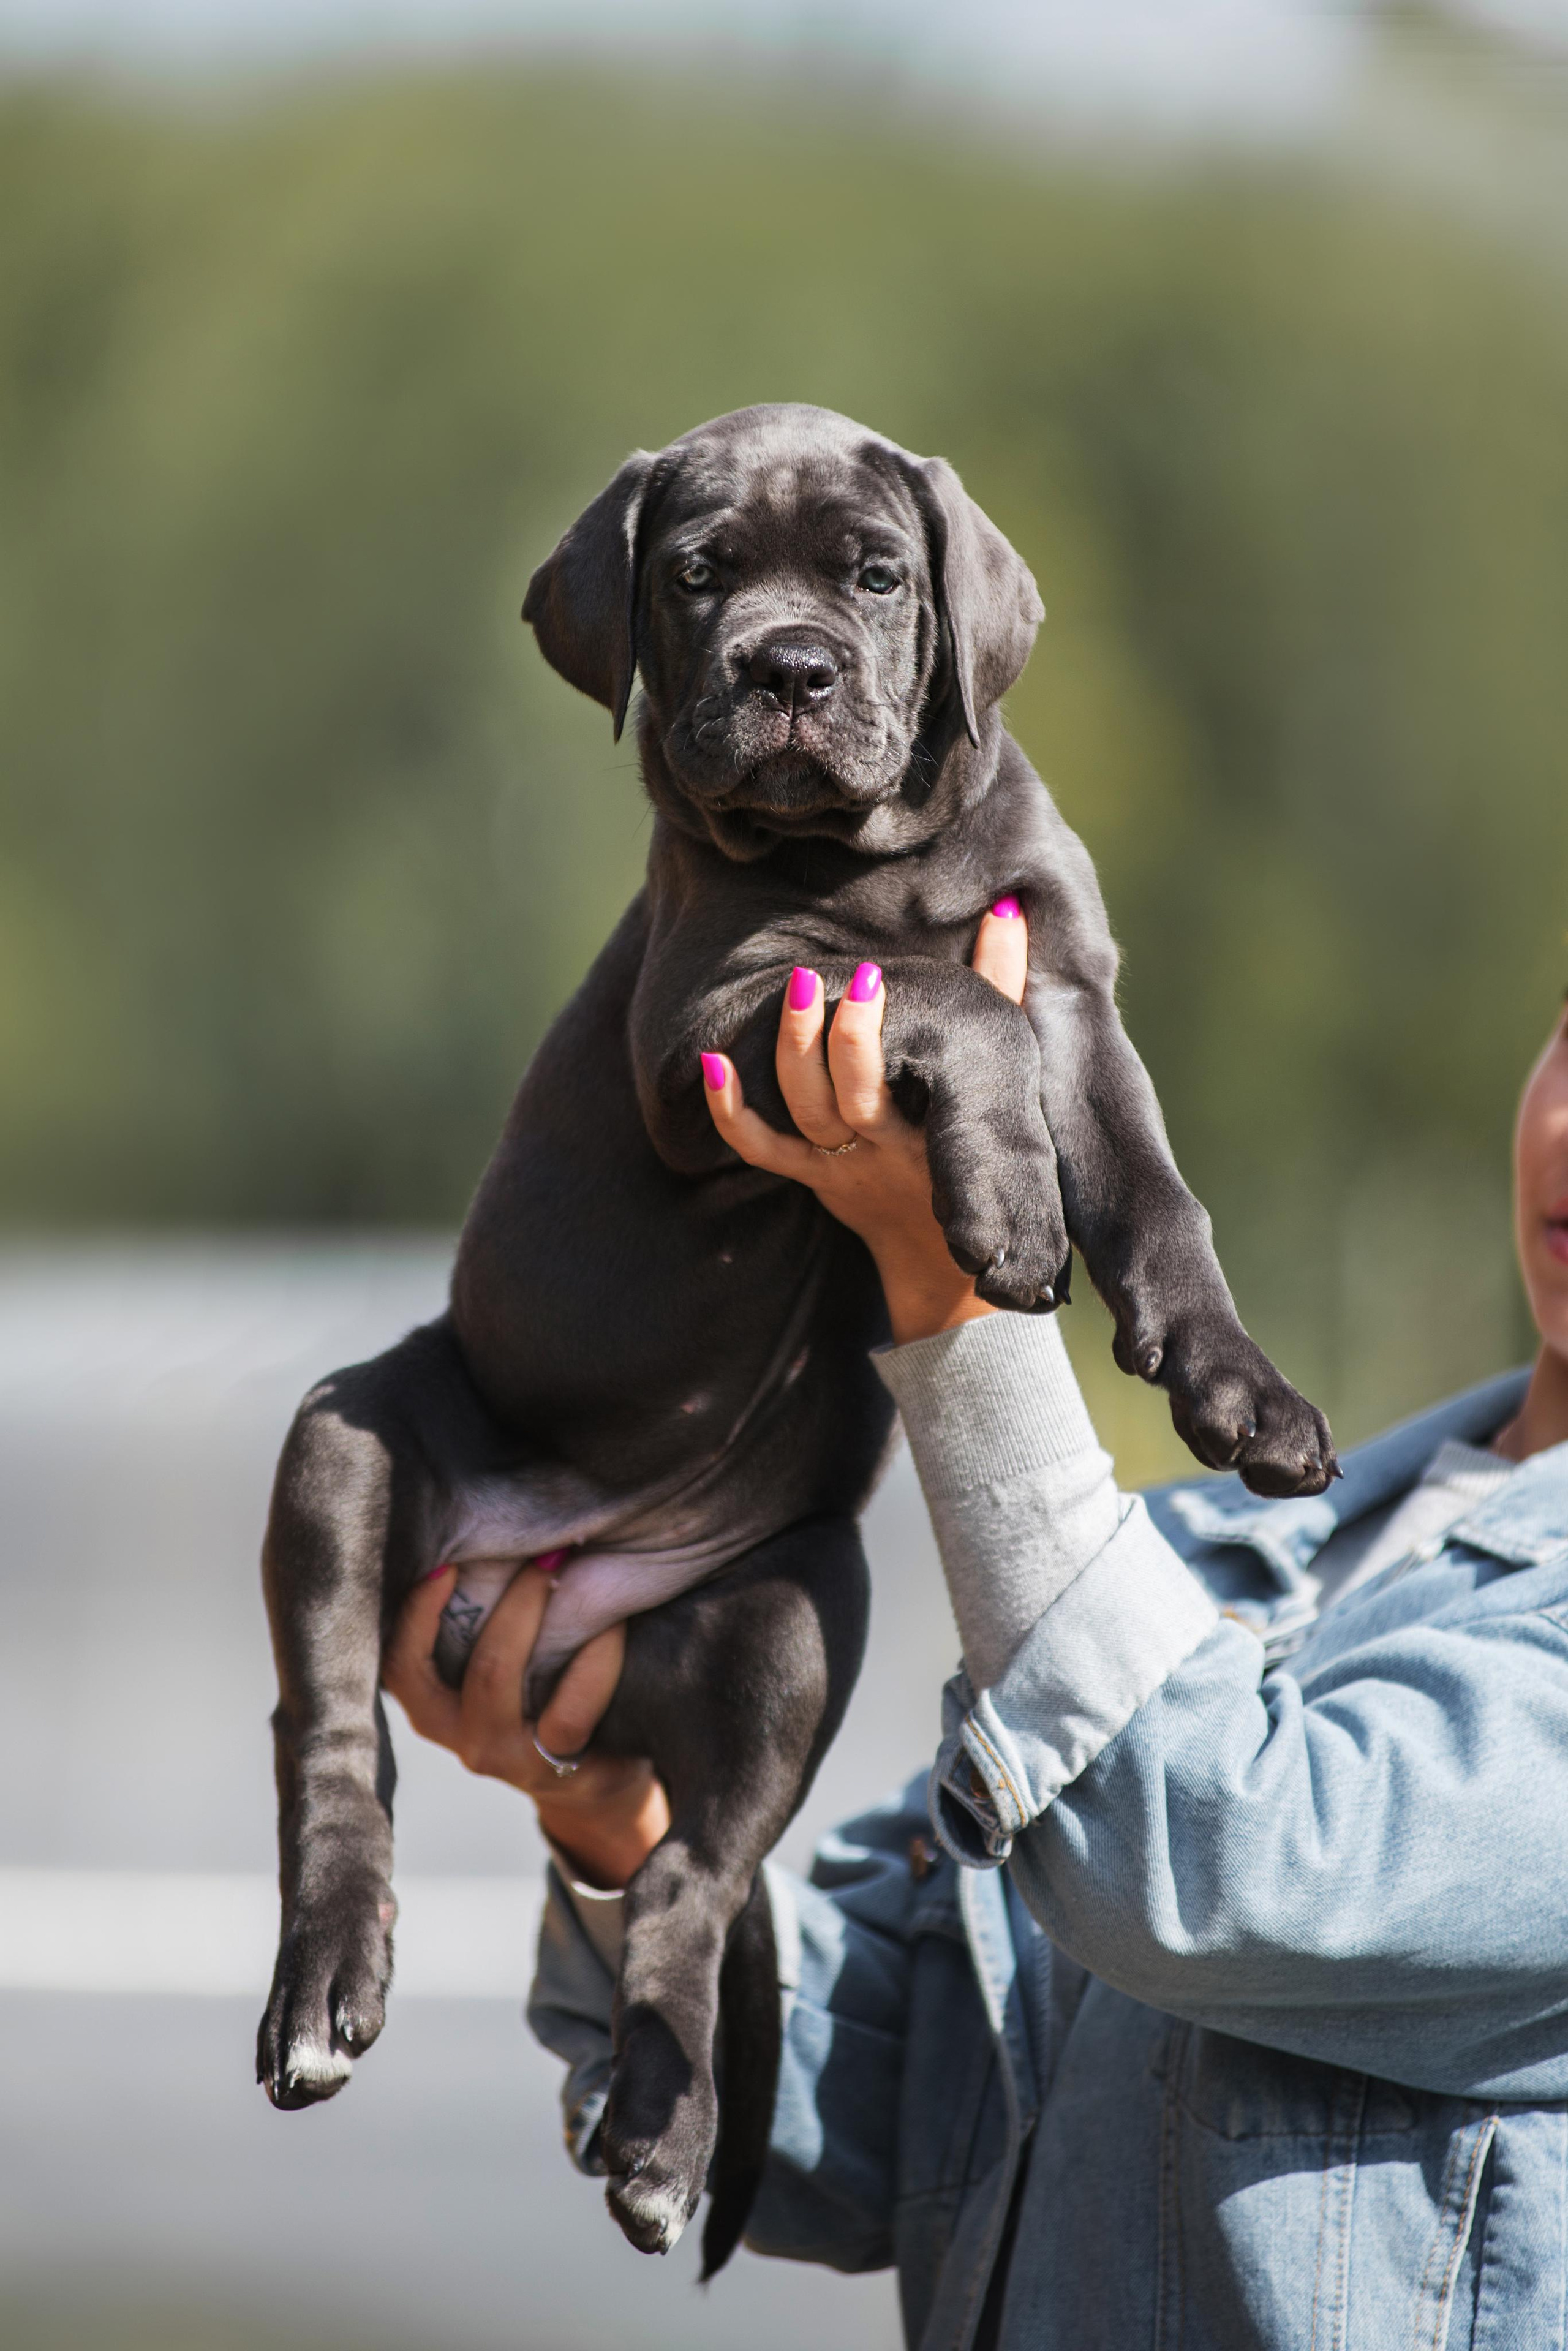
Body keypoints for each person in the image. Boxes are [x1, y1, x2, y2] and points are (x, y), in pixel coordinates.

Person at [386, 910, 1568, 2349]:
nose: (1563, 1117)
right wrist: (621, 1814)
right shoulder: (1232, 1549)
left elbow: (1213, 1857)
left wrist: (955, 1293)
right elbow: (874, 2120)